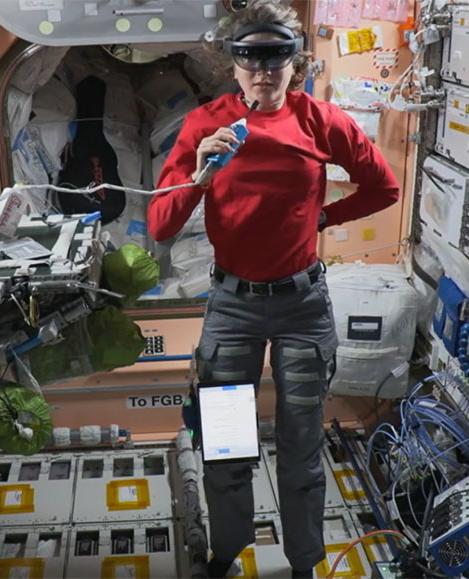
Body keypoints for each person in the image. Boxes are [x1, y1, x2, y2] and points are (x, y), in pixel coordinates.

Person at [147, 1, 401, 577]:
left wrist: (325, 219)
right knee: (229, 447)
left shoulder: (322, 120)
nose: (262, 70)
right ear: (233, 63)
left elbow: (382, 188)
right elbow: (161, 225)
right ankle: (226, 554)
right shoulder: (203, 125)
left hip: (302, 308)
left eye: (275, 56)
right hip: (233, 310)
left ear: (297, 59)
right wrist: (199, 174)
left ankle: (304, 564)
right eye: (249, 57)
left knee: (301, 450)